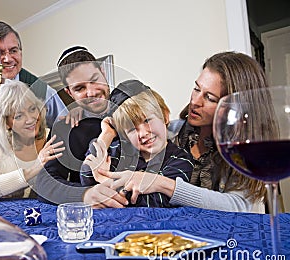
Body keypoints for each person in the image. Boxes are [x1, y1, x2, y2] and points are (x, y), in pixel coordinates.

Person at [102, 51, 267, 213]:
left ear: (235, 106)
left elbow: (237, 206)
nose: (195, 102)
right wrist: (107, 135)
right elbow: (102, 166)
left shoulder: (244, 149)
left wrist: (162, 184)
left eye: (209, 98)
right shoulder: (169, 132)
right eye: (196, 89)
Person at [35, 46, 129, 208]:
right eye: (80, 88)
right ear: (69, 93)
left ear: (103, 73)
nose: (91, 92)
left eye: (94, 80)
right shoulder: (66, 128)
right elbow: (44, 183)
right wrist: (84, 194)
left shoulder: (130, 100)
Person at [0, 21, 67, 160]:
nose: (8, 59)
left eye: (13, 51)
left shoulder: (41, 89)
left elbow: (66, 128)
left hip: (27, 169)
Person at [80, 89, 194, 208]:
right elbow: (87, 175)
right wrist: (106, 135)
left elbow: (157, 201)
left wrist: (105, 181)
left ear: (165, 116)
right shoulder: (119, 151)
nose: (143, 133)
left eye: (147, 120)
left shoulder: (181, 159)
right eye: (131, 129)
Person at [0, 80, 65, 200]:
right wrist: (32, 170)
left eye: (32, 109)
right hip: (3, 216)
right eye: (19, 116)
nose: (30, 119)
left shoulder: (54, 137)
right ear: (6, 123)